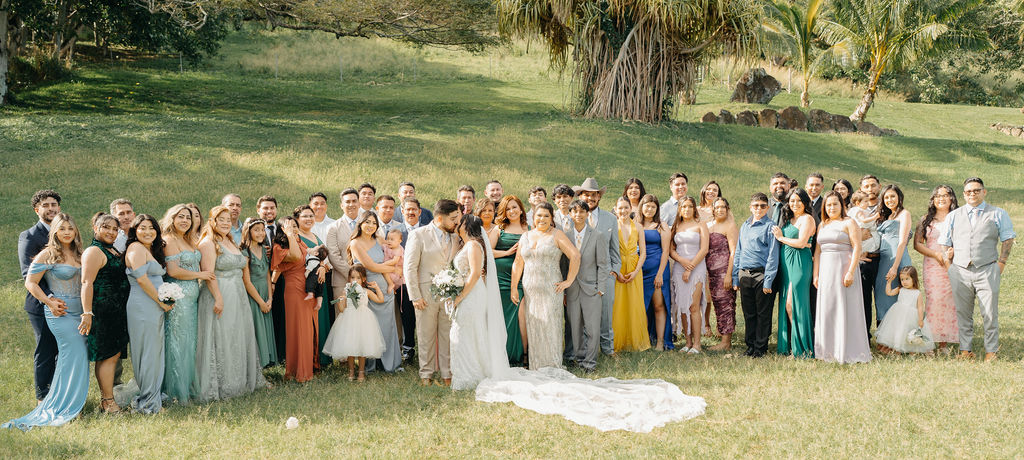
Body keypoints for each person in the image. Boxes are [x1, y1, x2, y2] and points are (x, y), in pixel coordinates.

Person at [4, 213, 88, 430]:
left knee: (77, 358)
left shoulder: (82, 254)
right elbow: (31, 283)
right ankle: (67, 408)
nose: (67, 232)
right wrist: (49, 302)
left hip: (81, 313)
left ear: (75, 231)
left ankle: (69, 403)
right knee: (75, 353)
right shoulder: (47, 255)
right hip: (59, 313)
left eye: (70, 228)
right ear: (55, 232)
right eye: (62, 229)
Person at [195, 205, 269, 400]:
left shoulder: (231, 241)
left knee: (236, 335)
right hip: (219, 295)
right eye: (221, 219)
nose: (226, 223)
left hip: (238, 296)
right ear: (212, 221)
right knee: (223, 337)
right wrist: (218, 298)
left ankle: (240, 380)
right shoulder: (208, 243)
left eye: (228, 220)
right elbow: (209, 275)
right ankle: (222, 384)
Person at [941, 177, 1015, 362]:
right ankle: (965, 350)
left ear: (984, 192)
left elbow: (1007, 239)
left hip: (987, 268)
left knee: (989, 312)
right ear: (964, 194)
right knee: (963, 312)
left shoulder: (998, 213)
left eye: (976, 190)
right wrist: (950, 267)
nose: (972, 194)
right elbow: (944, 243)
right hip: (960, 270)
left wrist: (1001, 263)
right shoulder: (954, 215)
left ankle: (991, 351)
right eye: (968, 192)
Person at [510, 203, 580, 369]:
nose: (542, 219)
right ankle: (536, 365)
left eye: (546, 216)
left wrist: (568, 281)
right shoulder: (525, 236)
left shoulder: (557, 235)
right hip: (530, 290)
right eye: (539, 215)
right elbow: (518, 262)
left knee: (550, 326)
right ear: (533, 217)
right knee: (534, 325)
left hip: (550, 289)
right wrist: (514, 287)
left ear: (552, 218)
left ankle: (552, 364)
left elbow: (575, 255)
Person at [404, 200, 462, 386]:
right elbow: (410, 267)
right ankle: (426, 374)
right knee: (425, 335)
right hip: (425, 294)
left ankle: (447, 373)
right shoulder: (418, 235)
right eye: (453, 219)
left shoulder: (455, 237)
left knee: (447, 335)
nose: (456, 222)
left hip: (449, 295)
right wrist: (415, 296)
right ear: (439, 218)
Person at [450, 214, 511, 389]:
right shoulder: (466, 245)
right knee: (466, 332)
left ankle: (472, 375)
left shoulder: (474, 245)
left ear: (466, 226)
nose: (456, 224)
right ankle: (467, 372)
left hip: (472, 295)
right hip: (468, 292)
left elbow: (476, 274)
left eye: (459, 222)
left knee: (466, 331)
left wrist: (460, 296)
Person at [813, 191, 871, 364]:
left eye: (835, 204)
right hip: (825, 270)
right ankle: (827, 350)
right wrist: (816, 274)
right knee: (828, 308)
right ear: (824, 207)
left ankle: (847, 350)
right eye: (828, 205)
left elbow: (857, 247)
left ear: (842, 205)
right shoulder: (822, 224)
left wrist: (851, 271)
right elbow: (817, 252)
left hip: (843, 268)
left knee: (845, 308)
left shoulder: (849, 222)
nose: (832, 207)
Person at [161, 204, 210, 405]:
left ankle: (187, 386)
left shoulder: (189, 239)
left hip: (192, 299)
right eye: (180, 217)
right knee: (177, 343)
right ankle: (175, 390)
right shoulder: (170, 240)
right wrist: (200, 274)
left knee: (189, 343)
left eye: (188, 218)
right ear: (172, 218)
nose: (184, 221)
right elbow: (172, 271)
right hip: (178, 298)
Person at [81, 212, 130, 413]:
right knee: (107, 356)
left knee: (113, 354)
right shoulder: (94, 251)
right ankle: (107, 401)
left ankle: (107, 400)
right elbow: (86, 282)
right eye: (106, 227)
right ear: (96, 229)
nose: (111, 232)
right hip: (103, 312)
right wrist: (87, 313)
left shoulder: (112, 251)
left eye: (114, 229)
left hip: (117, 312)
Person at [18, 190, 62, 404]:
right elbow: (28, 273)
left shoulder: (65, 233)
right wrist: (51, 297)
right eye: (46, 205)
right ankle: (42, 398)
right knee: (45, 349)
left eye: (54, 204)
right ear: (37, 210)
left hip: (64, 303)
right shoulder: (29, 236)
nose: (51, 208)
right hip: (40, 303)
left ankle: (59, 393)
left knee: (61, 350)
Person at [124, 214, 170, 414]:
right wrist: (161, 301)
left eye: (152, 228)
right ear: (135, 230)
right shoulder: (135, 249)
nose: (148, 232)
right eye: (142, 228)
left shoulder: (149, 249)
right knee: (148, 352)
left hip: (153, 305)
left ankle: (153, 395)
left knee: (154, 351)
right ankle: (149, 402)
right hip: (143, 305)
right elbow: (142, 280)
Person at [561, 200, 610, 371]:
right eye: (575, 212)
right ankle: (579, 360)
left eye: (582, 211)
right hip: (572, 289)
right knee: (575, 327)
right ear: (570, 214)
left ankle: (590, 363)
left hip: (592, 289)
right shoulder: (565, 236)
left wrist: (601, 288)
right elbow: (564, 265)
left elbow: (603, 264)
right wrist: (565, 290)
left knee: (592, 328)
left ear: (587, 214)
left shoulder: (597, 236)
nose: (579, 215)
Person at [574, 178, 621, 357]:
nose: (590, 198)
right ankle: (585, 351)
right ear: (580, 196)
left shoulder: (610, 219)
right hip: (582, 274)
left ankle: (608, 350)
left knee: (605, 314)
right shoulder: (575, 217)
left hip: (605, 273)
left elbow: (614, 249)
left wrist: (614, 271)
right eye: (586, 194)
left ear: (599, 197)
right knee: (583, 315)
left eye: (594, 195)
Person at [732, 193, 780, 358]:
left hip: (762, 275)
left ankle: (760, 347)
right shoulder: (745, 225)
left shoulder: (770, 227)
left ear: (767, 208)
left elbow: (773, 256)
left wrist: (768, 281)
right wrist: (735, 276)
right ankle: (750, 345)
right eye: (755, 205)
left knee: (763, 313)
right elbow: (738, 251)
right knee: (749, 312)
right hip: (745, 274)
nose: (758, 208)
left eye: (762, 205)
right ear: (750, 207)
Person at [272, 216, 318, 382]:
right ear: (281, 229)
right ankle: (298, 371)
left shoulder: (301, 243)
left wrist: (322, 267)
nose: (293, 228)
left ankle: (307, 366)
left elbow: (311, 258)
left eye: (294, 225)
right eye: (288, 226)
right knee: (297, 329)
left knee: (307, 329)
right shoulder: (279, 246)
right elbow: (296, 257)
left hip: (307, 288)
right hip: (294, 290)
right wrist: (290, 235)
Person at [913, 185, 959, 352]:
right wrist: (936, 254)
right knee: (935, 300)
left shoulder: (958, 218)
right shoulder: (925, 219)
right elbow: (917, 244)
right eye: (938, 196)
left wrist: (953, 253)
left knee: (950, 302)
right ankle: (930, 339)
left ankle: (944, 342)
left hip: (954, 264)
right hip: (933, 266)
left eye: (946, 195)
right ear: (932, 199)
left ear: (952, 198)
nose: (941, 198)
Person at [322, 265, 387, 382]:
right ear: (349, 279)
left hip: (364, 320)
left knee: (363, 347)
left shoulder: (365, 291)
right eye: (352, 277)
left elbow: (380, 300)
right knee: (350, 347)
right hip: (349, 319)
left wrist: (377, 287)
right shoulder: (346, 290)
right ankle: (351, 371)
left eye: (358, 278)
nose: (355, 280)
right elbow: (342, 309)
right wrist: (340, 301)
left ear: (363, 279)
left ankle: (361, 372)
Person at [772, 189, 816, 358]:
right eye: (792, 201)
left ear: (805, 202)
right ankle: (788, 346)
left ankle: (802, 348)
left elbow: (801, 242)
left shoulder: (807, 218)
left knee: (794, 303)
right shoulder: (789, 219)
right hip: (786, 265)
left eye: (798, 200)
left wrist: (781, 238)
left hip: (799, 264)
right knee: (786, 303)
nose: (795, 204)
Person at [490, 195, 528, 365]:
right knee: (501, 317)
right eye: (508, 209)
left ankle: (521, 354)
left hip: (520, 280)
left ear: (521, 209)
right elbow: (487, 251)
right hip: (499, 281)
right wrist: (506, 253)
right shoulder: (499, 229)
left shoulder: (529, 229)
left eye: (514, 207)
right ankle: (500, 355)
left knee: (519, 316)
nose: (512, 211)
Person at [294, 205, 334, 368]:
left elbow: (324, 258)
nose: (309, 219)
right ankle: (308, 358)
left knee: (320, 319)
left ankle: (321, 357)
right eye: (305, 216)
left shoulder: (315, 236)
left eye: (311, 216)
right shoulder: (296, 238)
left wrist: (323, 268)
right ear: (297, 219)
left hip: (320, 283)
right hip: (304, 283)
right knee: (306, 322)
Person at [610, 197, 649, 352]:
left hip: (634, 267)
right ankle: (616, 342)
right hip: (618, 266)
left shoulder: (638, 227)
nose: (623, 211)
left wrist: (636, 271)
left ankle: (635, 340)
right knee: (618, 304)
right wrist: (617, 271)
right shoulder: (612, 226)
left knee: (634, 303)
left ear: (630, 209)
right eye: (620, 208)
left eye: (626, 208)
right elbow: (608, 250)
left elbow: (644, 252)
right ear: (615, 209)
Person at [670, 196, 708, 353]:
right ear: (679, 209)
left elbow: (704, 249)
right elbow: (671, 249)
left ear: (694, 209)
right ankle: (688, 342)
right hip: (679, 267)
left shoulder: (701, 225)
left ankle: (697, 344)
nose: (686, 209)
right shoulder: (676, 226)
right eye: (683, 206)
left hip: (697, 267)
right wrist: (681, 261)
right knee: (682, 305)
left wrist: (690, 267)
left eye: (690, 206)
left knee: (693, 305)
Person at [241, 217, 277, 368]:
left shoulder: (264, 249)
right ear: (248, 232)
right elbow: (246, 281)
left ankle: (266, 362)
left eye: (262, 230)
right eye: (256, 230)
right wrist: (261, 302)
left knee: (266, 327)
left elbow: (268, 275)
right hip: (253, 295)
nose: (261, 233)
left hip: (265, 293)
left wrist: (269, 298)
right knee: (257, 329)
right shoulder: (245, 252)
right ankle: (256, 366)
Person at [637, 194, 672, 351]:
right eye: (647, 206)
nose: (649, 209)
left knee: (658, 305)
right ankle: (642, 340)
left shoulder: (662, 226)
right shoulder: (635, 224)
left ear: (657, 209)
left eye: (653, 206)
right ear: (641, 207)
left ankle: (659, 342)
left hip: (657, 269)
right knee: (640, 307)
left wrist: (660, 274)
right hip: (638, 271)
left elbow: (665, 252)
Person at [875, 184, 912, 323]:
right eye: (886, 197)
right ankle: (884, 335)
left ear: (899, 197)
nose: (890, 200)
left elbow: (902, 242)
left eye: (893, 196)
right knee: (882, 293)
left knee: (899, 296)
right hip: (884, 259)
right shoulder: (887, 216)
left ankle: (899, 336)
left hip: (898, 259)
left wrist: (895, 267)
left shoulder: (904, 214)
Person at [876, 266, 934, 354]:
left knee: (907, 331)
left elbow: (920, 307)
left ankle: (910, 348)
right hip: (898, 314)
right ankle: (896, 348)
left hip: (911, 316)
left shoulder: (917, 293)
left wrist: (920, 319)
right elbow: (889, 293)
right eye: (902, 279)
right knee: (898, 330)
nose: (904, 282)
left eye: (907, 279)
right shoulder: (900, 289)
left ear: (913, 279)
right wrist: (889, 282)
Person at [706, 198, 738, 351]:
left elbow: (734, 252)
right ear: (712, 209)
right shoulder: (708, 226)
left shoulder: (730, 226)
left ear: (727, 209)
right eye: (717, 207)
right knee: (718, 304)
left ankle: (726, 342)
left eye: (723, 207)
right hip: (710, 272)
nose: (720, 210)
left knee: (726, 304)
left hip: (724, 271)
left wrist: (729, 275)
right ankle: (721, 333)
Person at [395, 197, 423, 360]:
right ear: (403, 211)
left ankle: (426, 349)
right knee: (406, 315)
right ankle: (408, 348)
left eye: (414, 209)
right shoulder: (396, 231)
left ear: (419, 212)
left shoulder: (426, 230)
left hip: (423, 279)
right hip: (403, 281)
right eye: (408, 209)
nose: (411, 212)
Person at [326, 188, 361, 300]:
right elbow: (333, 255)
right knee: (343, 314)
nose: (351, 204)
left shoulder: (367, 224)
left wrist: (362, 277)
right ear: (341, 205)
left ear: (359, 203)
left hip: (365, 279)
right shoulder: (333, 227)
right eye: (347, 202)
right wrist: (352, 275)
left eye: (354, 201)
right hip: (342, 281)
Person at [857, 175, 881, 333]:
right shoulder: (858, 210)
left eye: (873, 185)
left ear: (879, 187)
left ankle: (884, 336)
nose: (870, 189)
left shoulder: (887, 205)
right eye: (866, 186)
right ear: (861, 190)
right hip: (864, 259)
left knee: (883, 299)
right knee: (863, 299)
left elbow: (907, 233)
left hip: (882, 258)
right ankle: (864, 335)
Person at [849, 192, 880, 258]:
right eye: (866, 201)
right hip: (862, 230)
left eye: (868, 201)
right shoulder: (859, 211)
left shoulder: (863, 210)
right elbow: (864, 220)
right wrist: (875, 217)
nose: (868, 203)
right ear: (858, 203)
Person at [382, 229, 405, 293]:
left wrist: (383, 265)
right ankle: (393, 287)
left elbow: (394, 261)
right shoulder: (387, 246)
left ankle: (391, 284)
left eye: (392, 239)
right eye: (388, 238)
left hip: (395, 271)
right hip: (390, 269)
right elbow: (381, 245)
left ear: (399, 241)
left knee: (384, 271)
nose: (389, 241)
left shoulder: (398, 249)